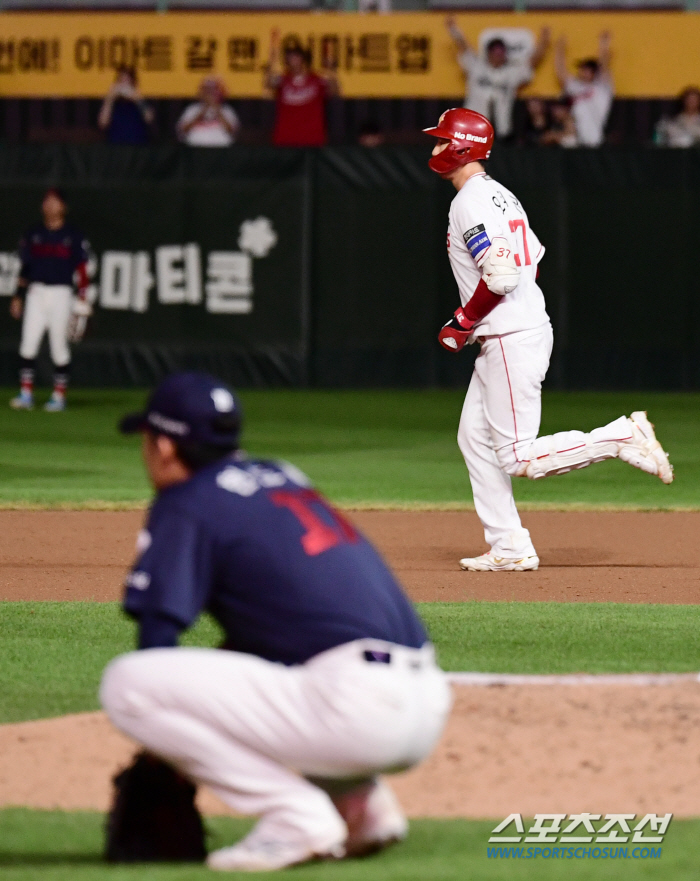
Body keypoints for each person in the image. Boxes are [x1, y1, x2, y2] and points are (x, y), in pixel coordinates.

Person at [99, 371, 450, 871]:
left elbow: (158, 636)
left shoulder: (187, 502)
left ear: (164, 447)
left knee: (128, 684)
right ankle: (361, 807)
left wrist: (166, 755)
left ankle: (297, 817)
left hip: (354, 709)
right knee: (261, 667)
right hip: (425, 702)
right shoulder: (283, 475)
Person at [423, 108, 673, 572]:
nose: (433, 147)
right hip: (517, 329)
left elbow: (501, 274)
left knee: (519, 456)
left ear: (460, 147)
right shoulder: (498, 194)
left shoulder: (470, 201)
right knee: (474, 440)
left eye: (441, 140)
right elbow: (531, 261)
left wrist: (462, 321)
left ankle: (619, 436)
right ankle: (510, 545)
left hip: (510, 336)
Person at [9, 188, 92, 412]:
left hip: (61, 294)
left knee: (59, 346)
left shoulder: (73, 235)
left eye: (55, 202)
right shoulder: (33, 233)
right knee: (28, 344)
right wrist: (18, 295)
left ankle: (59, 396)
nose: (50, 206)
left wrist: (83, 297)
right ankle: (26, 394)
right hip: (36, 292)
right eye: (47, 201)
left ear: (63, 207)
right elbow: (25, 267)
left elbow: (82, 268)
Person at [445, 19, 550, 140]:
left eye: (501, 52)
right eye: (496, 52)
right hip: (473, 131)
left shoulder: (511, 73)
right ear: (489, 53)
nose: (499, 56)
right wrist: (453, 30)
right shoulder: (477, 67)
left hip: (501, 132)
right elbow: (464, 47)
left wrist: (543, 42)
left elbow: (532, 63)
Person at [265, 32, 339, 147]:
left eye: (296, 56)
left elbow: (334, 92)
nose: (292, 60)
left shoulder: (317, 80)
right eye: (289, 57)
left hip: (312, 139)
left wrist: (332, 71)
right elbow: (269, 83)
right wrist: (272, 58)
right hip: (285, 139)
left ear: (303, 59)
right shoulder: (283, 80)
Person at [555, 32, 613, 148]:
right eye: (581, 69)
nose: (581, 72)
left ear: (593, 72)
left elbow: (604, 67)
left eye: (585, 69)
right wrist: (559, 50)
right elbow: (561, 73)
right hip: (576, 140)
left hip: (594, 140)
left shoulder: (602, 88)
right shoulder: (576, 86)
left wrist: (603, 45)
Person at [177, 77, 240, 148]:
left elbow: (232, 132)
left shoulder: (226, 110)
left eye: (213, 90)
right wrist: (203, 110)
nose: (210, 94)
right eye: (207, 90)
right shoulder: (192, 109)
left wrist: (217, 109)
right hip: (195, 150)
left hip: (221, 150)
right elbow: (184, 131)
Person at [98, 66, 153, 145]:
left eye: (127, 81)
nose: (124, 85)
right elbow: (103, 124)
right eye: (121, 81)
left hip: (137, 148)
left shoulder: (139, 100)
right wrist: (110, 98)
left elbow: (149, 118)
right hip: (116, 148)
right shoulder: (113, 103)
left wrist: (137, 98)